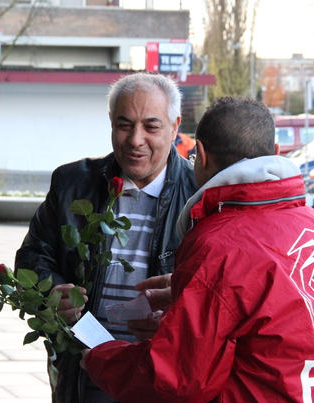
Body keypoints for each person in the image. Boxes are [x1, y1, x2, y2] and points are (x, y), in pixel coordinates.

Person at [82, 97, 314, 402]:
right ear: (276, 153)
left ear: (200, 155)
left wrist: (100, 356)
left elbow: (178, 379)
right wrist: (191, 296)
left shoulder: (217, 244)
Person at [14, 72, 198, 403]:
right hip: (87, 364)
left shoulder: (199, 196)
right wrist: (52, 293)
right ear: (111, 122)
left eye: (151, 127)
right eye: (125, 125)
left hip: (164, 372)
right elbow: (33, 257)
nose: (135, 139)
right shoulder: (72, 183)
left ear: (175, 128)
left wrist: (178, 324)